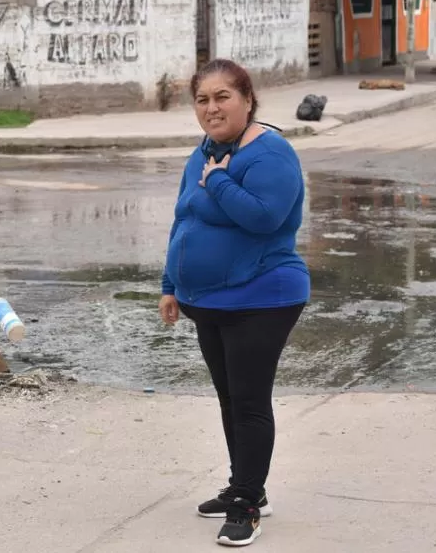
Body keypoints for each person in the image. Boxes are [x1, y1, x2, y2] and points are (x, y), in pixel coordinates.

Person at [158, 58, 310, 547]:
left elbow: (265, 218)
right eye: (202, 99)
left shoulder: (270, 154)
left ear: (248, 99)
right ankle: (244, 486)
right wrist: (169, 284)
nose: (212, 107)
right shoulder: (203, 151)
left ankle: (247, 504)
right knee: (230, 399)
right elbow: (184, 220)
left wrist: (219, 180)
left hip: (264, 297)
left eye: (223, 96)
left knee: (248, 401)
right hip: (210, 302)